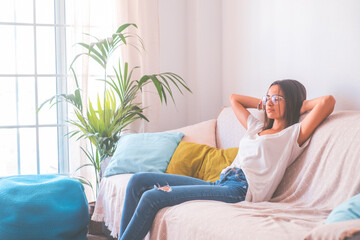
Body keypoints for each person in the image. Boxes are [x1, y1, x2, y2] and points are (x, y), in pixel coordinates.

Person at [118, 79, 336, 240]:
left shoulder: (292, 135)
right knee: (138, 181)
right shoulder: (256, 127)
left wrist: (299, 105)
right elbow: (234, 99)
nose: (269, 102)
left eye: (277, 98)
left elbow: (327, 101)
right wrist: (266, 103)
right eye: (267, 97)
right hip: (221, 181)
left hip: (239, 190)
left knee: (152, 197)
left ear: (292, 102)